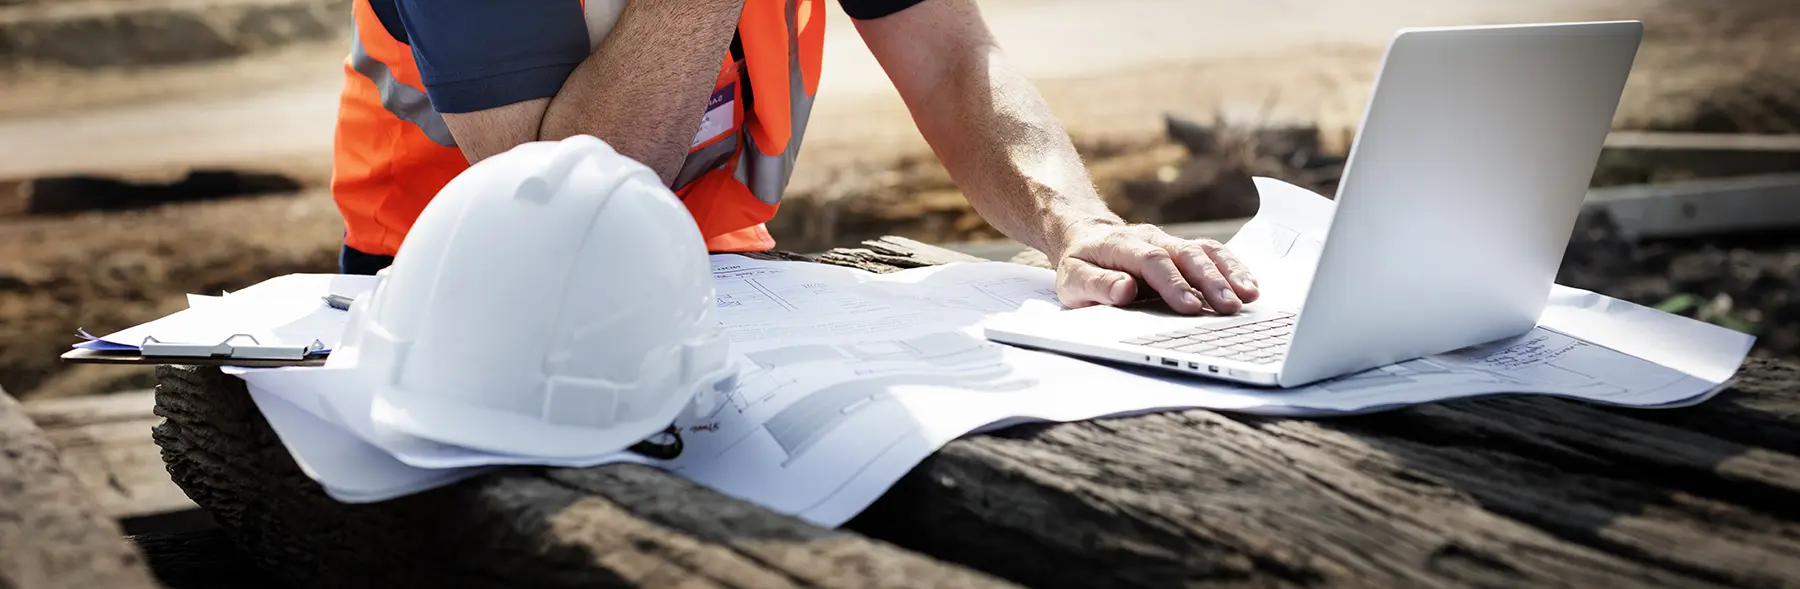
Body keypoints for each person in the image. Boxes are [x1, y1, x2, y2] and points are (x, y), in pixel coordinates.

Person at [327, 0, 1260, 315]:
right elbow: (567, 221)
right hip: (452, 304)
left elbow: (950, 58)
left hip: (729, 283)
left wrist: (1075, 222)